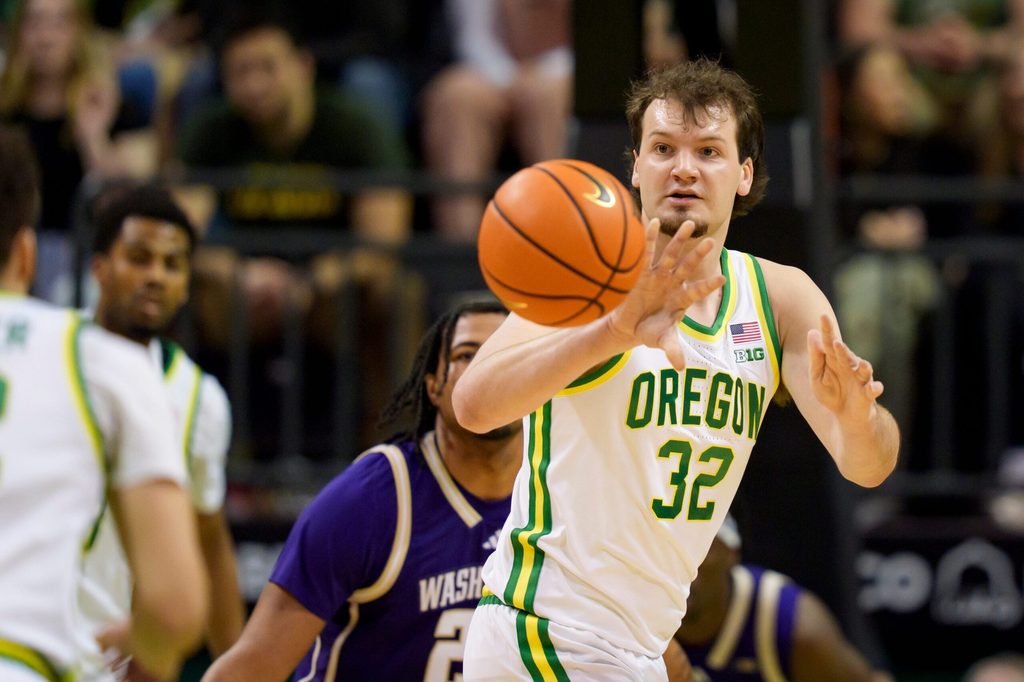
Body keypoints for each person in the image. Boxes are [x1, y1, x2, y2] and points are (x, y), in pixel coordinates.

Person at [453, 58, 899, 679]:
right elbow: (473, 406)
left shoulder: (782, 299)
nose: (684, 168)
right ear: (635, 165)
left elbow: (868, 466)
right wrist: (610, 332)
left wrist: (858, 417)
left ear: (744, 174)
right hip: (546, 631)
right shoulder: (587, 272)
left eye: (709, 151)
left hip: (636, 643)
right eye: (663, 148)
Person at [201, 298, 522, 681]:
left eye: (504, 353)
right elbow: (253, 665)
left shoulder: (554, 494)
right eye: (467, 355)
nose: (487, 369)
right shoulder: (371, 499)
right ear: (433, 386)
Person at [0, 125, 206, 680]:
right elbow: (177, 605)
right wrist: (151, 646)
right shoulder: (100, 359)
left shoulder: (193, 391)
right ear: (25, 254)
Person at [176, 5, 421, 457]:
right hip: (246, 292)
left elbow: (383, 242)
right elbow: (175, 237)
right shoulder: (213, 131)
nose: (253, 85)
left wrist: (313, 280)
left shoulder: (353, 126)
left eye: (267, 67)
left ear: (302, 66)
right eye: (240, 72)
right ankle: (204, 463)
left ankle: (391, 462)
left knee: (396, 293)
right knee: (171, 290)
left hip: (328, 293)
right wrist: (236, 272)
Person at [73, 182, 244, 678]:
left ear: (188, 284)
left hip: (103, 658)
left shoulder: (199, 399)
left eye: (172, 264)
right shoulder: (48, 357)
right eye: (139, 258)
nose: (155, 276)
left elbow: (209, 539)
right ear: (99, 267)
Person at [0, 0, 158, 304]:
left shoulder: (114, 107)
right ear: (18, 33)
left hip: (85, 256)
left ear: (79, 34)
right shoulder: (6, 114)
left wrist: (93, 136)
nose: (45, 37)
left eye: (60, 24)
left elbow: (126, 201)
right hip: (10, 252)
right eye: (34, 24)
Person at [663, 516, 894, 682]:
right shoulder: (638, 610)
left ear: (732, 554)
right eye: (671, 548)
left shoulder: (791, 624)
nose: (685, 563)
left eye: (701, 547)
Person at [421, 0, 573, 241]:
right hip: (492, 72)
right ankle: (463, 248)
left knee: (547, 97)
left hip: (563, 70)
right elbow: (473, 38)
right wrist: (510, 79)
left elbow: (598, 39)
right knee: (457, 96)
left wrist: (542, 72)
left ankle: (566, 239)